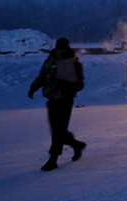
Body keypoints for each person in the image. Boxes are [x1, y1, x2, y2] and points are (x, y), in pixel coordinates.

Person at [28, 37, 86, 171]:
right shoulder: (50, 61)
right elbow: (42, 76)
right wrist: (33, 87)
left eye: (63, 48)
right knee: (56, 130)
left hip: (65, 101)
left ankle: (53, 159)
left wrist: (69, 87)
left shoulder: (73, 63)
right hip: (52, 100)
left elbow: (80, 84)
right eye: (59, 48)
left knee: (58, 132)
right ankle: (76, 145)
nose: (60, 51)